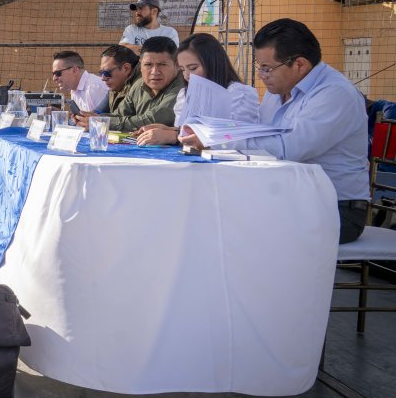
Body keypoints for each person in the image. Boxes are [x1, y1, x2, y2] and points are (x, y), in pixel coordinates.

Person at [180, 19, 370, 244]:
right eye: (259, 66)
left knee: (231, 230)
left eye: (267, 68)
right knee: (204, 211)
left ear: (299, 64)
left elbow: (287, 148)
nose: (261, 75)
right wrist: (212, 132)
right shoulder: (277, 90)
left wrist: (215, 140)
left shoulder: (335, 94)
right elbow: (259, 135)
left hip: (336, 209)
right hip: (288, 197)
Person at [135, 33, 259, 145]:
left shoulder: (239, 94)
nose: (187, 75)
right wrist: (168, 129)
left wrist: (174, 135)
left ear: (212, 63)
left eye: (193, 68)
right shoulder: (185, 94)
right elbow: (188, 131)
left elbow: (235, 137)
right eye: (183, 70)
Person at [79, 36, 182, 132]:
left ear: (177, 65)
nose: (154, 72)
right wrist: (91, 118)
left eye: (162, 65)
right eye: (148, 65)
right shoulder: (139, 84)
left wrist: (103, 122)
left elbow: (152, 120)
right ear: (140, 65)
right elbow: (119, 115)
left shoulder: (183, 88)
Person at [78, 44, 140, 118]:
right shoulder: (115, 87)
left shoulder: (140, 86)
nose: (103, 78)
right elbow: (98, 112)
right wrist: (84, 117)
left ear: (126, 69)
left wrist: (96, 119)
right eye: (101, 73)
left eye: (107, 72)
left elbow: (141, 122)